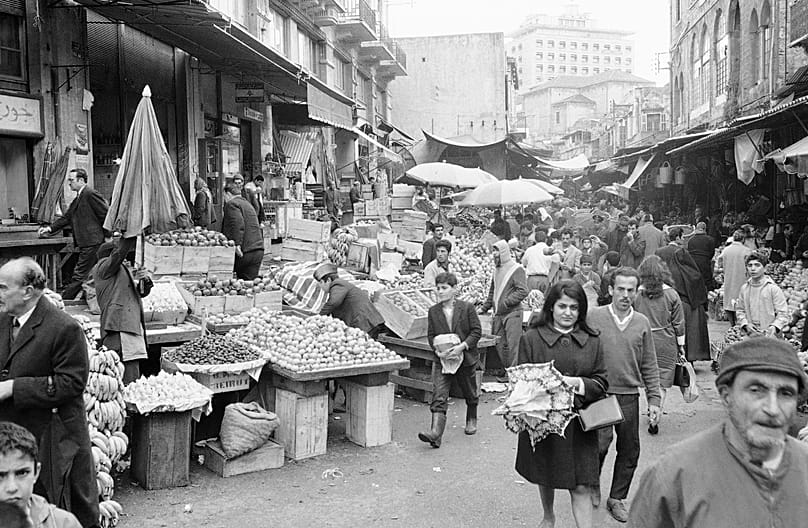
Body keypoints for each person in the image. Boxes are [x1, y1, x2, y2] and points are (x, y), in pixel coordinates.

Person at [628, 337, 808, 527]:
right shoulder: (674, 476)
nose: (772, 408)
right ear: (726, 395)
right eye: (756, 390)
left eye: (786, 393)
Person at [0, 259, 98, 527]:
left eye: (3, 287)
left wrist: (13, 387)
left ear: (27, 291)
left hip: (54, 439)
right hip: (12, 436)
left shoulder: (64, 328)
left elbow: (71, 383)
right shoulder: (4, 321)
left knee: (59, 508)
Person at [515, 281, 608, 528]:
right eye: (562, 306)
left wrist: (576, 382)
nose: (568, 312)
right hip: (542, 422)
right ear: (551, 308)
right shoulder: (532, 339)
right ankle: (548, 515)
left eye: (574, 307)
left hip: (579, 426)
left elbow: (601, 382)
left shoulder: (593, 340)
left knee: (581, 485)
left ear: (581, 311)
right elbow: (520, 380)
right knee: (544, 474)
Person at [588, 267, 660, 522]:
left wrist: (654, 399)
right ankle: (591, 484)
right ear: (610, 290)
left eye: (631, 290)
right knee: (598, 445)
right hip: (600, 393)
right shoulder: (594, 317)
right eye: (621, 289)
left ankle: (616, 497)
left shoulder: (641, 322)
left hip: (629, 395)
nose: (625, 295)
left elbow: (649, 363)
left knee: (629, 450)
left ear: (637, 292)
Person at [419, 272, 482, 448]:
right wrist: (437, 351)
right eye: (438, 288)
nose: (440, 292)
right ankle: (435, 433)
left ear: (454, 289)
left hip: (464, 357)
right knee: (439, 393)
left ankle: (471, 417)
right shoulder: (433, 311)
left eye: (444, 288)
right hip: (444, 359)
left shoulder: (467, 308)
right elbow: (431, 335)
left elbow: (476, 332)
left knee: (469, 390)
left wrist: (462, 346)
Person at [38, 168, 109, 300]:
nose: (69, 183)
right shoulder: (79, 198)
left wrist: (108, 235)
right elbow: (67, 218)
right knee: (92, 274)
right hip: (89, 242)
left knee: (80, 274)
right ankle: (88, 299)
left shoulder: (90, 194)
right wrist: (49, 229)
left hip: (93, 242)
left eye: (71, 180)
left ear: (81, 180)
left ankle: (64, 300)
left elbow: (105, 215)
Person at [634, 256, 686, 433]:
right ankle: (656, 414)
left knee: (646, 377)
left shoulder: (636, 293)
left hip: (642, 339)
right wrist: (681, 346)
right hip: (665, 340)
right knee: (662, 380)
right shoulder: (671, 294)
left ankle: (650, 407)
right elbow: (679, 323)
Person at [92, 236, 153, 383]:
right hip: (120, 333)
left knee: (130, 381)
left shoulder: (118, 273)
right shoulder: (103, 268)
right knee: (127, 383)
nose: (125, 260)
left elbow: (138, 293)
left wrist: (145, 281)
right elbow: (119, 253)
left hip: (129, 331)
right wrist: (129, 234)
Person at [0, 422, 83, 528]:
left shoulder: (62, 523)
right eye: (0, 476)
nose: (12, 487)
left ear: (36, 472)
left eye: (21, 473)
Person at [656, 227, 710, 362]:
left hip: (663, 292)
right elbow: (693, 274)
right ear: (679, 237)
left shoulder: (659, 252)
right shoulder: (682, 252)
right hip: (682, 294)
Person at [479, 240, 528, 380]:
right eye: (493, 251)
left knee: (513, 346)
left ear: (504, 253)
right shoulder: (496, 270)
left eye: (497, 251)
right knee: (500, 344)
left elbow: (523, 291)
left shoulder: (516, 269)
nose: (494, 254)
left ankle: (512, 374)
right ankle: (506, 368)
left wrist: (506, 303)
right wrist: (484, 308)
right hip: (499, 314)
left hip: (513, 313)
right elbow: (492, 292)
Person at [314, 262, 385, 338]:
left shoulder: (338, 285)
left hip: (365, 323)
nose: (320, 287)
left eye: (321, 283)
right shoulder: (340, 286)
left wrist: (319, 317)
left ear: (328, 280)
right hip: (367, 322)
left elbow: (333, 303)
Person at [735, 251, 789, 338]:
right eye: (750, 265)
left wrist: (774, 327)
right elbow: (740, 310)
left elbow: (783, 313)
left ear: (765, 268)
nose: (753, 269)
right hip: (750, 333)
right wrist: (745, 324)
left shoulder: (773, 289)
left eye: (757, 265)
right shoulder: (744, 288)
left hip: (770, 335)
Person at [222, 182, 264, 280]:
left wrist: (237, 244)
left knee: (239, 286)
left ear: (228, 194)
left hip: (245, 251)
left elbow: (237, 224)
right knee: (250, 285)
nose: (224, 199)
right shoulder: (247, 204)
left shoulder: (232, 204)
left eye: (224, 196)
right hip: (257, 250)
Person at [717, 230, 753, 326]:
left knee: (729, 301)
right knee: (741, 302)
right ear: (743, 239)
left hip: (729, 278)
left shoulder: (726, 250)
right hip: (742, 279)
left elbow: (719, 263)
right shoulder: (747, 251)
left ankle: (732, 324)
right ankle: (741, 324)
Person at [686, 221, 716, 290]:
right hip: (705, 263)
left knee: (695, 283)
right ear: (705, 229)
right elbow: (712, 253)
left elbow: (689, 253)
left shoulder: (691, 240)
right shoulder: (710, 240)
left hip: (693, 264)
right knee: (706, 282)